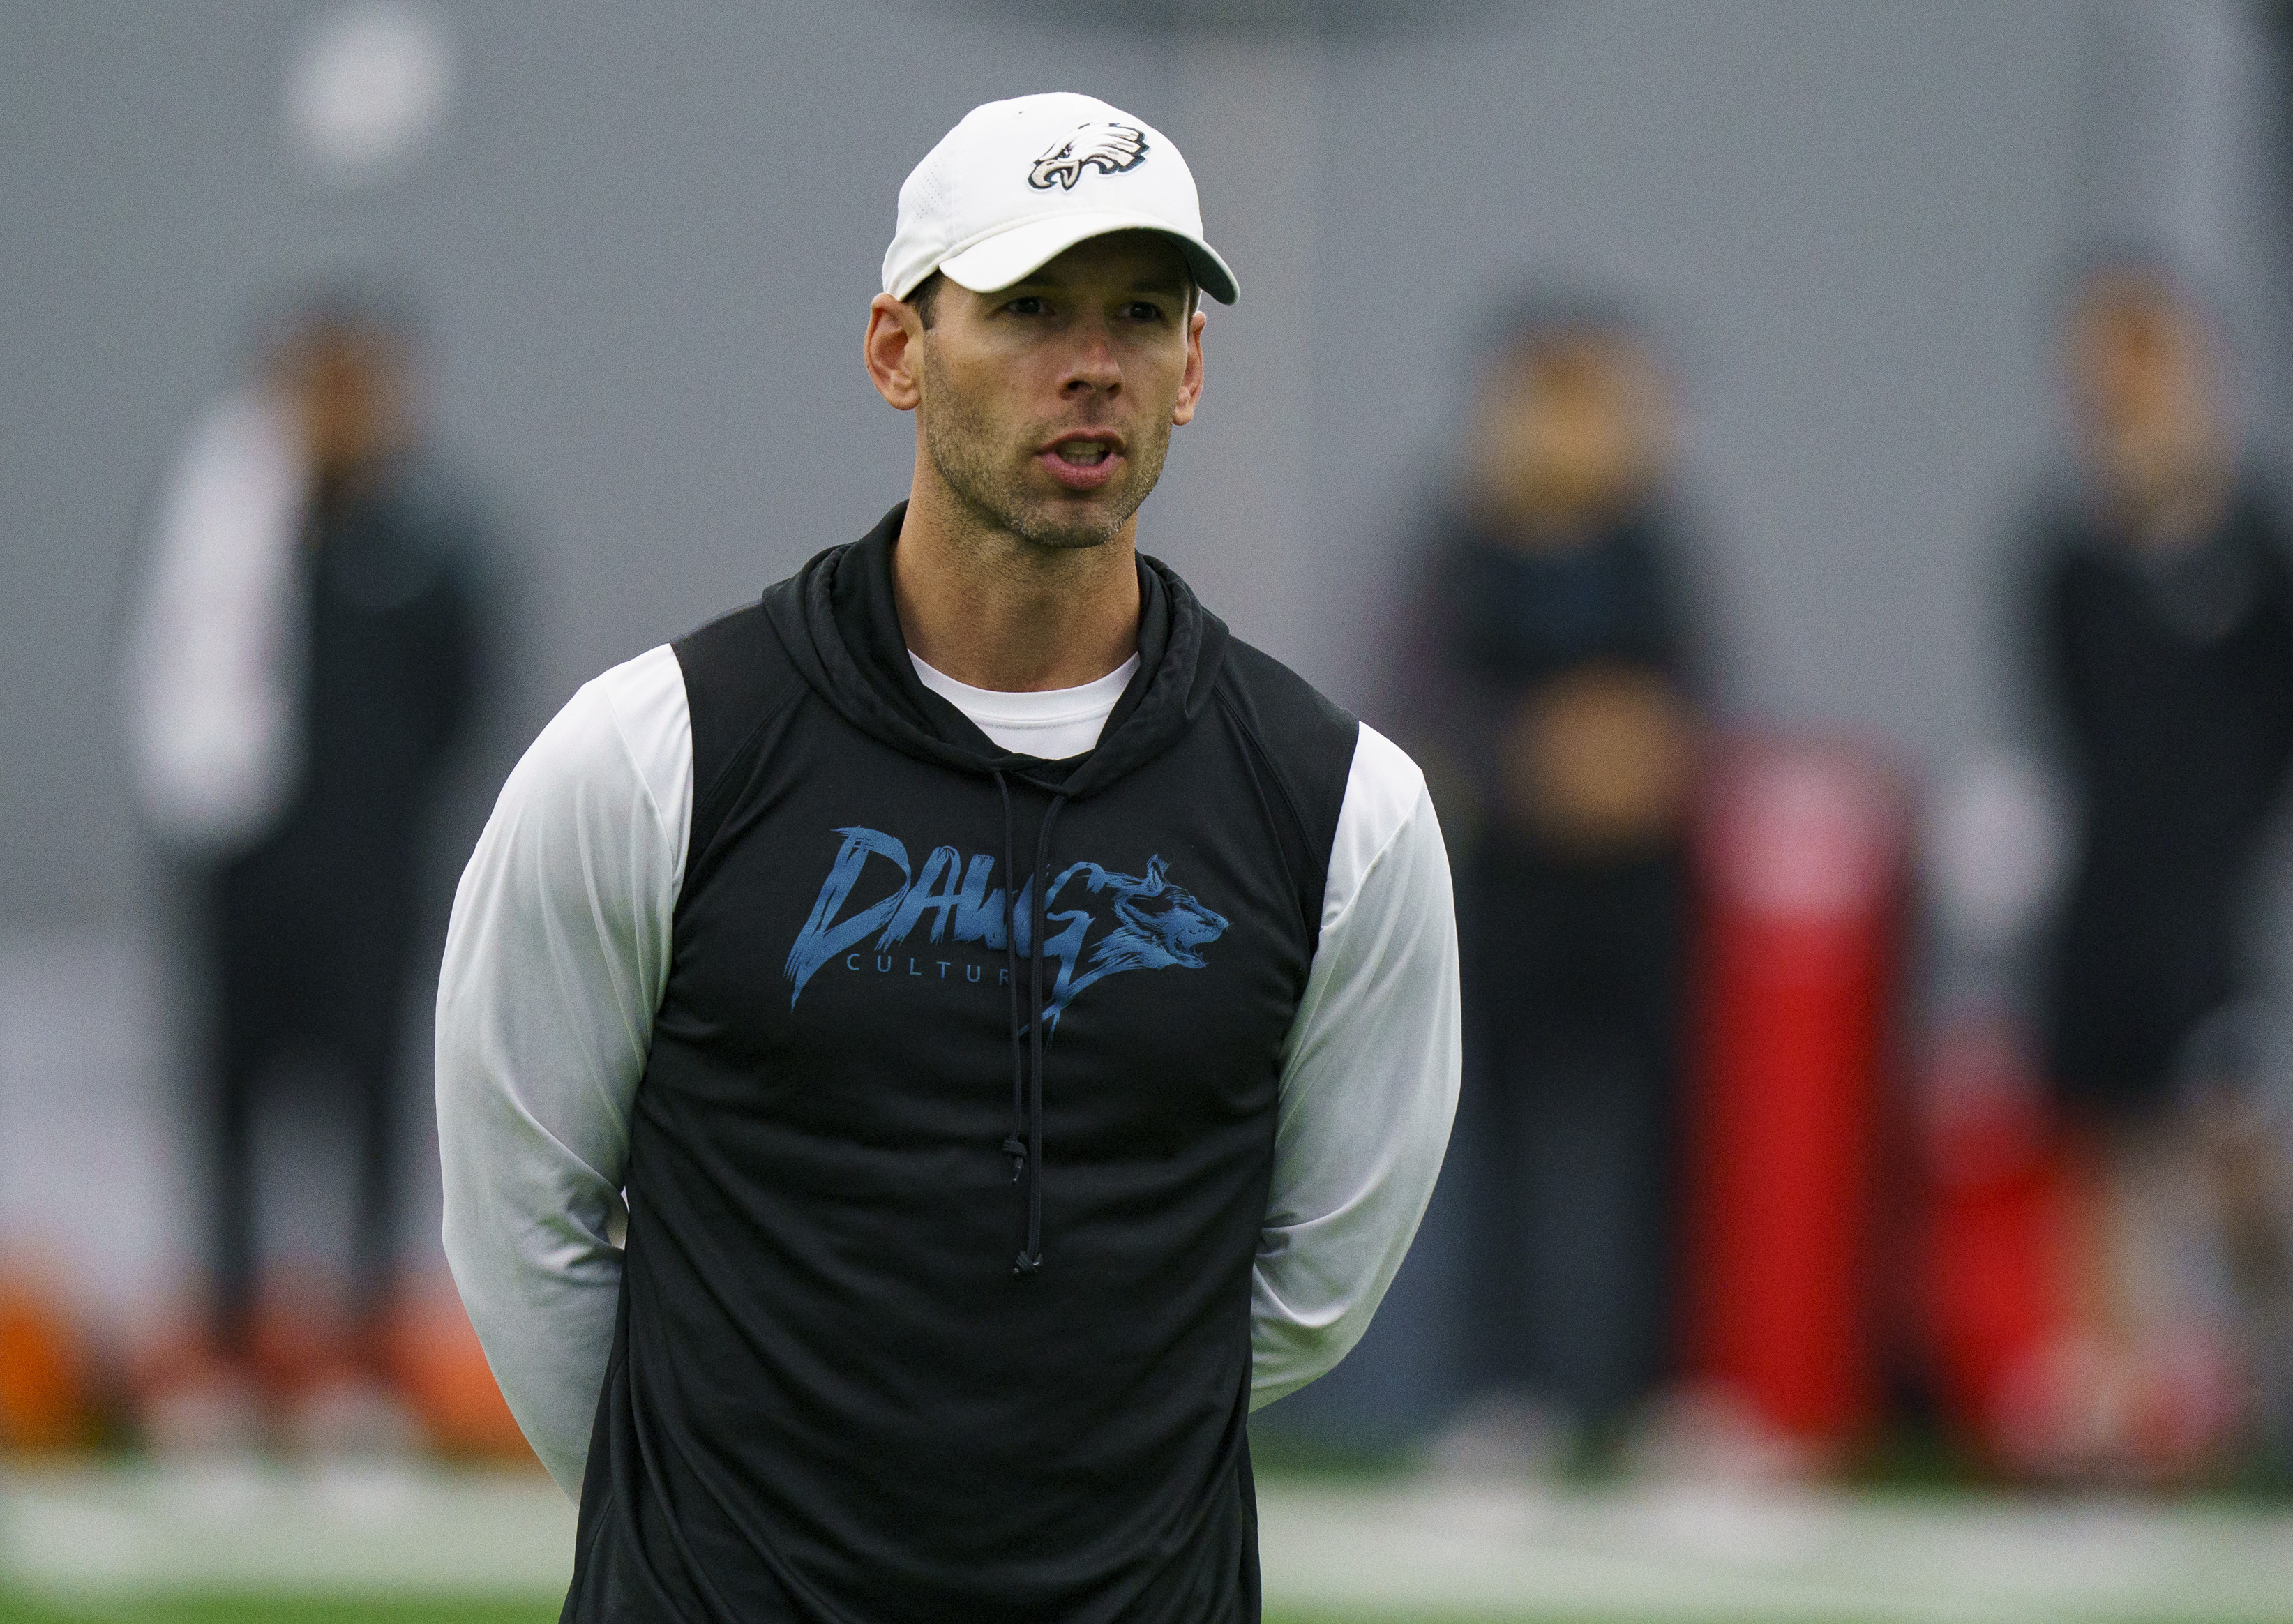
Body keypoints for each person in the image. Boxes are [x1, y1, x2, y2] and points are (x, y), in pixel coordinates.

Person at [437, 93, 1461, 1620]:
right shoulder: (658, 751)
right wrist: (701, 1516)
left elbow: (1322, 1276)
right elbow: (520, 1211)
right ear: (894, 351)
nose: (1092, 361)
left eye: (1142, 311)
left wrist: (1062, 1452)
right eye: (1029, 307)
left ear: (1194, 368)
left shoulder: (1340, 807)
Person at [124, 295, 490, 1447]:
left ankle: (360, 1372)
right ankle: (225, 1363)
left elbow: (456, 705)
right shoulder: (224, 537)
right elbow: (166, 683)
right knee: (228, 1106)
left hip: (369, 888)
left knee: (374, 1113)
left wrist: (373, 829)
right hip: (239, 880)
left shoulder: (430, 549)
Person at [2015, 257, 2293, 1482]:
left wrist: (2233, 855)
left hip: (2218, 904)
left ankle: (2284, 1383)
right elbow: (2072, 720)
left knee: (2241, 1142)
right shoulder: (2066, 557)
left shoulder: (2264, 549)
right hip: (2110, 897)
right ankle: (2120, 1411)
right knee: (2107, 1154)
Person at [1390, 301, 1709, 1472]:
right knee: (1505, 1140)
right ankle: (1503, 1392)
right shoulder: (1462, 546)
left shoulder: (1649, 545)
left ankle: (1659, 1395)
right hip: (1512, 886)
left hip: (1638, 892)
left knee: (1658, 1141)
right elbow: (1420, 699)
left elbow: (1698, 697)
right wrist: (1533, 759)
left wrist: (1644, 754)